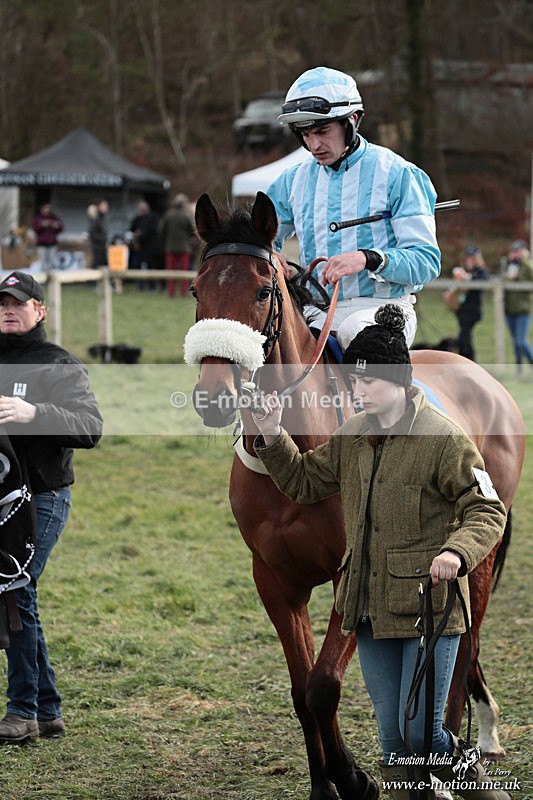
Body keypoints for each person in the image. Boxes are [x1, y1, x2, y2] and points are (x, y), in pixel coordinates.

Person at [251, 304, 509, 800]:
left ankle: (473, 785)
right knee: (393, 742)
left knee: (420, 735)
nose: (357, 392)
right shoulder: (352, 436)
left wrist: (457, 552)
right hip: (366, 609)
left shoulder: (444, 439)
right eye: (354, 383)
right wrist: (271, 436)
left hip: (427, 609)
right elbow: (305, 483)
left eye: (368, 383)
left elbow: (489, 511)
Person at [266, 66, 441, 350]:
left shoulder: (399, 174)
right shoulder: (291, 181)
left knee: (359, 335)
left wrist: (367, 258)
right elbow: (260, 237)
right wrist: (271, 254)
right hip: (313, 311)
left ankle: (407, 396)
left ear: (352, 120)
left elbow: (426, 262)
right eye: (305, 134)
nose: (314, 144)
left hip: (382, 309)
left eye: (323, 131)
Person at [0, 271, 103, 743]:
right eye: (1, 304)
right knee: (14, 592)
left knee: (16, 589)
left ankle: (23, 710)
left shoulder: (58, 363)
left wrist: (34, 414)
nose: (7, 310)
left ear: (39, 310)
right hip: (2, 499)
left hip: (43, 496)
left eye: (17, 303)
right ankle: (47, 709)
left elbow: (90, 427)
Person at [446, 245, 489, 361]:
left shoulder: (481, 272)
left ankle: (467, 360)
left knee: (464, 336)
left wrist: (467, 279)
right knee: (465, 336)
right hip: (462, 309)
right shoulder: (463, 270)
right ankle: (466, 360)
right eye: (468, 257)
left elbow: (480, 286)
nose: (470, 260)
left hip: (472, 309)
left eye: (473, 257)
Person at [503, 239, 533, 376]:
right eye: (514, 251)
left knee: (521, 341)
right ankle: (519, 370)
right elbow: (504, 280)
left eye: (518, 251)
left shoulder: (527, 265)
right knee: (515, 342)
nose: (515, 254)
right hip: (510, 308)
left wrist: (523, 261)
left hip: (523, 309)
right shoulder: (509, 265)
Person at [157, 193, 196, 298]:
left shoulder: (168, 215)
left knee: (170, 273)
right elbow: (192, 231)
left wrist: (166, 240)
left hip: (170, 248)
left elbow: (160, 230)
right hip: (184, 248)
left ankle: (171, 293)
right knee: (184, 273)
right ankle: (184, 293)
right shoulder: (185, 216)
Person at [129, 201, 162, 291]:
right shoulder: (137, 219)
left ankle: (152, 286)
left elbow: (151, 232)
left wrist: (140, 234)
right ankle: (140, 286)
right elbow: (131, 228)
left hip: (150, 248)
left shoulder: (152, 218)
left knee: (151, 267)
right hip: (140, 248)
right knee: (139, 267)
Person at [31, 203, 64, 272]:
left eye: (49, 208)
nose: (47, 210)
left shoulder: (53, 218)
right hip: (42, 244)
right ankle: (43, 277)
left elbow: (61, 226)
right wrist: (42, 224)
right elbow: (35, 227)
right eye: (46, 208)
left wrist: (55, 225)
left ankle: (50, 277)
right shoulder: (38, 218)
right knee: (42, 262)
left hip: (52, 243)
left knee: (51, 262)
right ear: (42, 209)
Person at [87, 198, 109, 268]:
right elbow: (92, 233)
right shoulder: (95, 219)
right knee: (97, 266)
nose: (106, 207)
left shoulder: (102, 218)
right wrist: (103, 239)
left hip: (101, 248)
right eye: (104, 205)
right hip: (97, 249)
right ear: (98, 207)